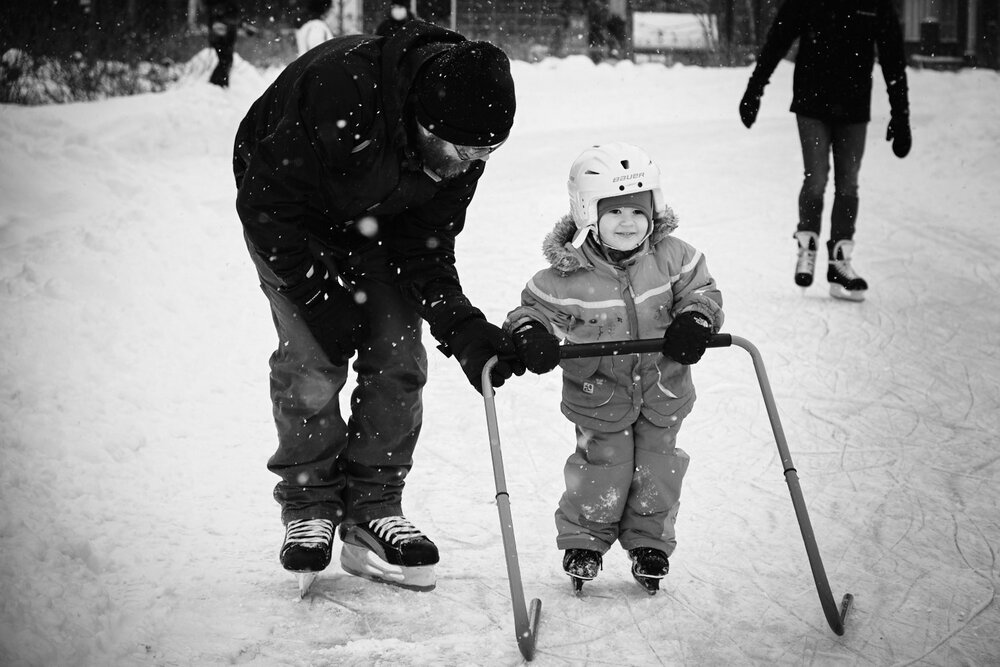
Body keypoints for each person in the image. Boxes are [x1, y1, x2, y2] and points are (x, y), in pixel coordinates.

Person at [233, 21, 524, 592]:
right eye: (465, 149)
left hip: (382, 220)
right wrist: (319, 298)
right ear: (424, 120)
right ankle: (310, 503)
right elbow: (267, 207)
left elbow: (425, 248)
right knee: (311, 359)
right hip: (290, 217)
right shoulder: (339, 93)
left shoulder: (465, 140)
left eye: (486, 152)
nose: (472, 163)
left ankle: (373, 504)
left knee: (398, 355)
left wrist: (460, 324)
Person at [503, 143, 724, 594]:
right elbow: (531, 311)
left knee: (658, 468)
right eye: (615, 211)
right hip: (599, 395)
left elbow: (703, 292)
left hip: (663, 390)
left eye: (639, 212)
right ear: (587, 213)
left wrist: (695, 318)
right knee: (602, 467)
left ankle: (650, 543)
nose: (629, 223)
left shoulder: (675, 257)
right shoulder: (565, 276)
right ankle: (585, 540)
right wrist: (532, 334)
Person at [738, 0, 911, 302]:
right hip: (812, 103)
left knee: (848, 183)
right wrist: (755, 88)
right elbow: (777, 41)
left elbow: (893, 56)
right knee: (816, 178)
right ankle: (807, 246)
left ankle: (839, 262)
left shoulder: (876, 5)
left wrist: (901, 114)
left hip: (855, 107)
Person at [203, 0, 255, 88]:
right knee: (225, 61)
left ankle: (219, 85)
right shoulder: (221, 6)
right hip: (221, 38)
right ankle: (216, 85)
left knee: (227, 61)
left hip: (227, 37)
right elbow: (219, 16)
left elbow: (234, 17)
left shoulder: (230, 6)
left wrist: (243, 26)